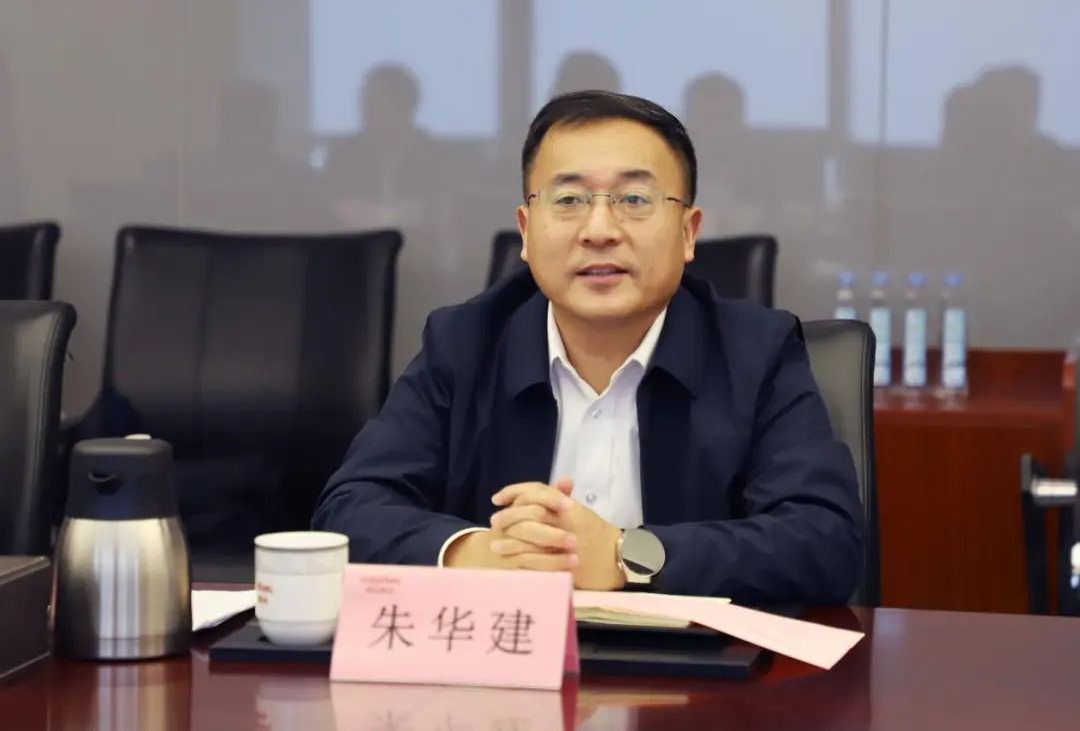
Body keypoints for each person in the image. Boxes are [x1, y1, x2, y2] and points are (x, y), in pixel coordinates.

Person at [312, 90, 863, 605]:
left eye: (634, 199)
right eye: (569, 199)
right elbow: (349, 511)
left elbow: (824, 541)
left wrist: (627, 556)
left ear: (688, 232)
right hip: (506, 663)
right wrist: (477, 553)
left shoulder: (757, 352)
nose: (599, 229)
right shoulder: (464, 343)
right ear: (526, 231)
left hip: (691, 670)